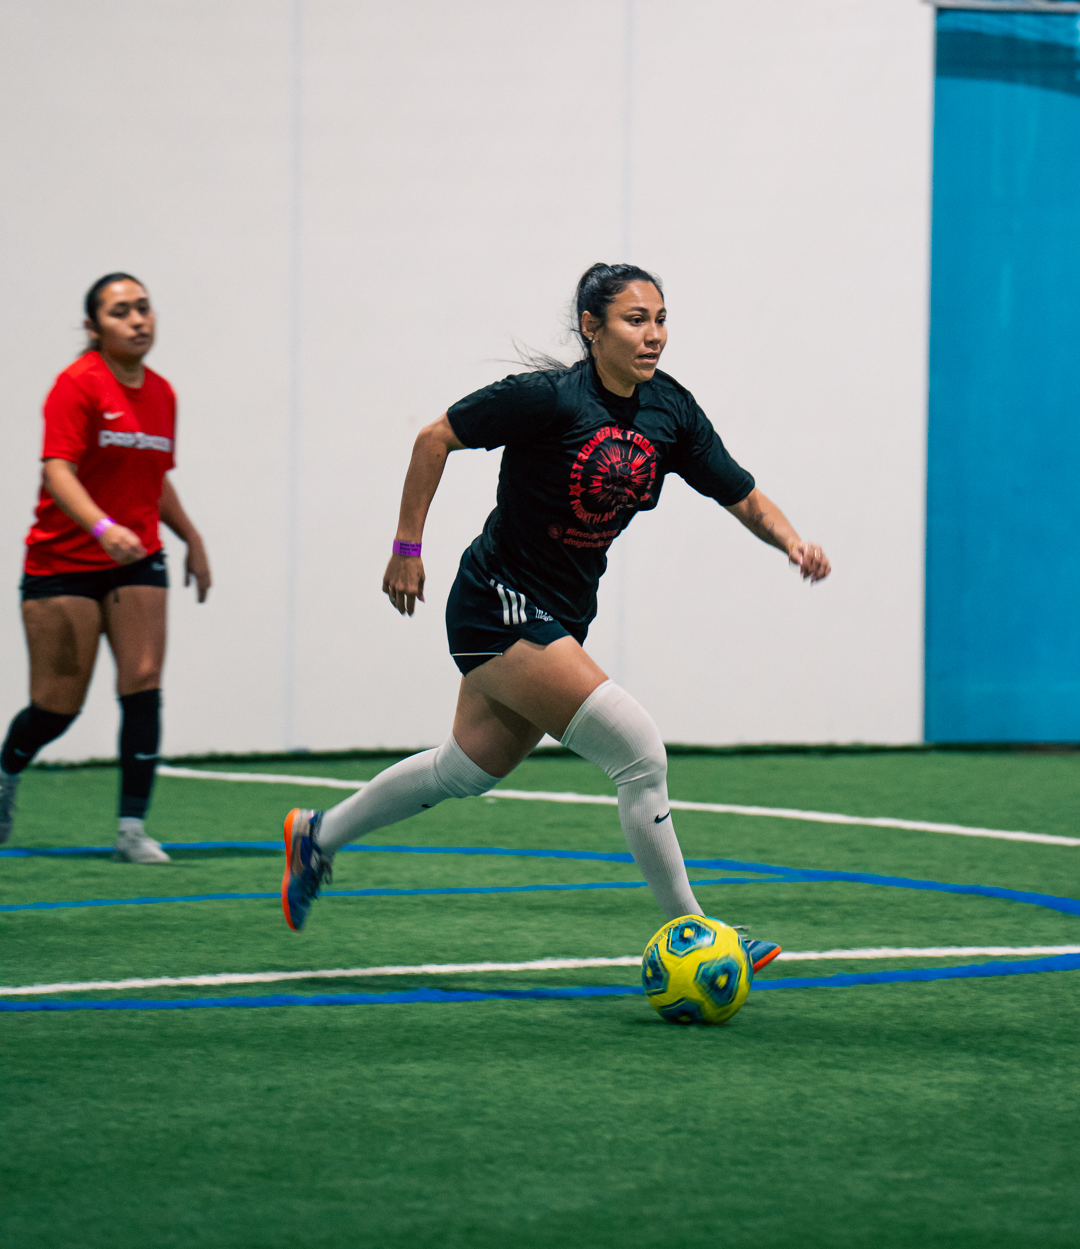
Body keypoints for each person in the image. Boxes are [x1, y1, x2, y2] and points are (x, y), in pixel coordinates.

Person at [281, 263, 829, 964]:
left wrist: (792, 542)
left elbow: (742, 495)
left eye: (661, 319)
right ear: (591, 328)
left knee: (465, 770)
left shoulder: (671, 412)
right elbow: (433, 438)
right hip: (497, 603)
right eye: (636, 320)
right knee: (639, 753)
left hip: (560, 613)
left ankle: (318, 836)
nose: (654, 335)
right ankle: (698, 933)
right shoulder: (546, 399)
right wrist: (407, 548)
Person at [0, 274, 211, 862]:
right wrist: (100, 527)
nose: (138, 320)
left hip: (137, 558)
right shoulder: (77, 385)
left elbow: (151, 476)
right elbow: (57, 470)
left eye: (144, 307)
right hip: (62, 563)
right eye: (121, 312)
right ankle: (7, 769)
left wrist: (191, 537)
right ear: (94, 328)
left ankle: (131, 830)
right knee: (56, 707)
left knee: (143, 682)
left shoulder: (161, 392)